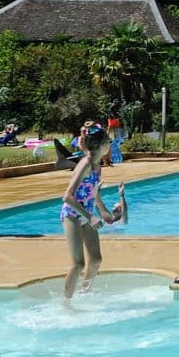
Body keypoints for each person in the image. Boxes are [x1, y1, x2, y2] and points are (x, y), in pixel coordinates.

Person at [60, 123, 114, 298]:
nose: (110, 145)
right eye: (109, 142)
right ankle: (66, 303)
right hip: (72, 214)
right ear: (101, 145)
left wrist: (103, 210)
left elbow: (93, 190)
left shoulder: (97, 165)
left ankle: (84, 294)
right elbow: (67, 196)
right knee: (78, 264)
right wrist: (90, 216)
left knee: (96, 260)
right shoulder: (85, 164)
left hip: (86, 214)